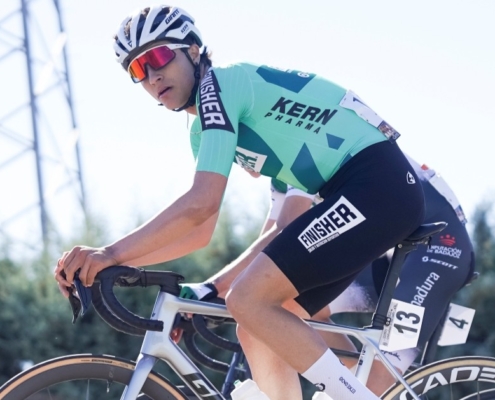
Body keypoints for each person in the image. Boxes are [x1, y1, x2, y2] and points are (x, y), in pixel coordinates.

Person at [54, 5, 426, 399]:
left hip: (376, 183)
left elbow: (201, 203)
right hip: (360, 191)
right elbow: (199, 231)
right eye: (137, 70)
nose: (152, 76)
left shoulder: (220, 85)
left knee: (247, 299)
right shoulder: (201, 128)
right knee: (257, 324)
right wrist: (117, 264)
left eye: (158, 57)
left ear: (193, 51)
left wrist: (110, 254)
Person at [183, 153, 475, 397]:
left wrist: (212, 288)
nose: (243, 164)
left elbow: (284, 229)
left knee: (375, 383)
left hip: (439, 250)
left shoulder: (298, 155)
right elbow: (266, 253)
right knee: (279, 307)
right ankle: (350, 381)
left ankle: (365, 387)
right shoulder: (280, 177)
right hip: (390, 253)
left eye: (242, 154)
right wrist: (221, 296)